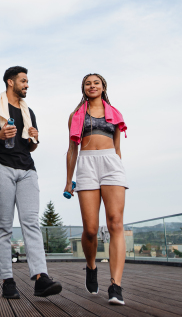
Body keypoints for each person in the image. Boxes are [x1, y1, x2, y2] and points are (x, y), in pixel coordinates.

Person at [0, 66, 62, 299]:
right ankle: (7, 280)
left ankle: (40, 278)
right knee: (4, 225)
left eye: (27, 81)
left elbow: (31, 145)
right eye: (23, 81)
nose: (27, 84)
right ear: (10, 82)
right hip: (2, 167)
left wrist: (35, 137)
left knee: (31, 223)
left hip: (27, 170)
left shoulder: (28, 111)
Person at [65, 73, 128, 305]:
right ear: (83, 88)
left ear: (103, 87)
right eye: (88, 83)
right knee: (90, 229)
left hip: (111, 164)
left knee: (115, 223)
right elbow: (72, 150)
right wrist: (68, 180)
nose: (92, 86)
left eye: (96, 83)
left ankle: (116, 286)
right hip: (86, 164)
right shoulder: (76, 115)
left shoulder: (115, 114)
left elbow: (117, 147)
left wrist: (118, 168)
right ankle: (91, 267)